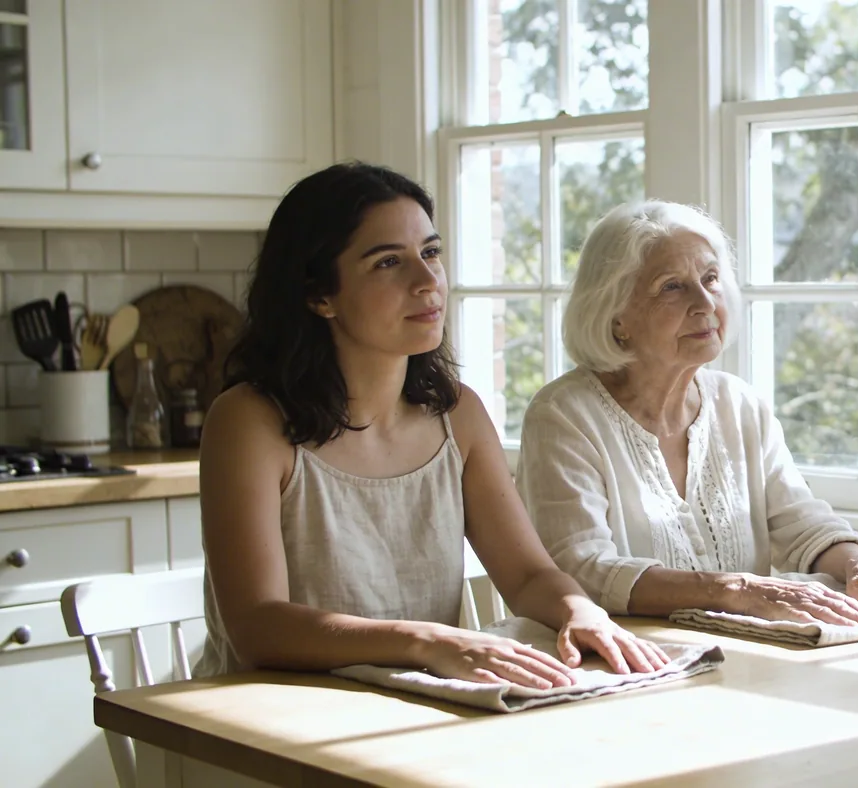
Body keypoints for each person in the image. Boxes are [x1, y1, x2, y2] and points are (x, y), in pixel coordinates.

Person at [195, 163, 668, 688]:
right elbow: (258, 626)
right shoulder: (248, 422)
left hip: (415, 703)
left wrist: (580, 611)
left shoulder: (458, 415)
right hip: (266, 721)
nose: (427, 281)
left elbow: (528, 575)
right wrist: (428, 641)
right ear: (318, 295)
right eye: (388, 262)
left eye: (431, 253)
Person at [515, 200, 858, 627]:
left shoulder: (739, 404)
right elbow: (581, 571)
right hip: (626, 667)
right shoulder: (563, 416)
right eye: (672, 286)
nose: (705, 302)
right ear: (616, 317)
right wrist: (735, 589)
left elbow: (801, 522)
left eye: (710, 277)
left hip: (745, 662)